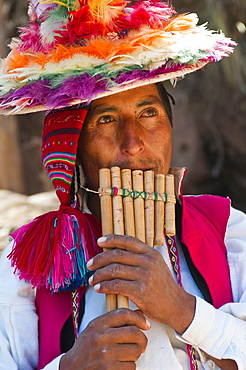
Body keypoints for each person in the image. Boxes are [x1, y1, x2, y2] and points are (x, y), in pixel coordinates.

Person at [0, 1, 245, 370]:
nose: (133, 143)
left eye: (149, 113)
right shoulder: (26, 268)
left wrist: (182, 310)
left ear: (170, 127)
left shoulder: (229, 232)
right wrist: (71, 366)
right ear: (73, 148)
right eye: (107, 119)